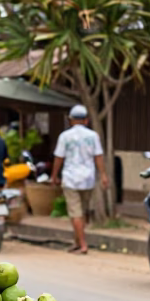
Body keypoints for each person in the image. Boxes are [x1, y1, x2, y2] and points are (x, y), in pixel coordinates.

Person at [51, 105, 108, 255]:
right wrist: (103, 175)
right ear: (86, 120)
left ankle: (82, 244)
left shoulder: (65, 136)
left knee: (75, 212)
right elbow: (98, 156)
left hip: (70, 178)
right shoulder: (93, 136)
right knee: (81, 211)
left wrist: (54, 175)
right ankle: (77, 242)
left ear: (70, 120)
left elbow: (59, 157)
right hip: (88, 178)